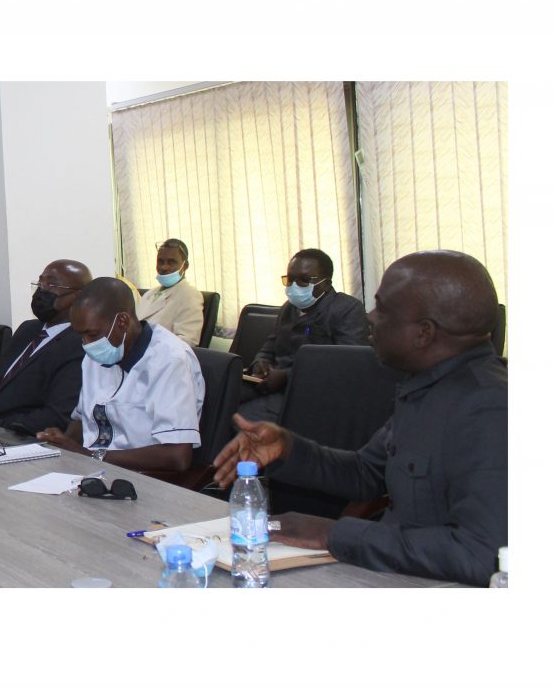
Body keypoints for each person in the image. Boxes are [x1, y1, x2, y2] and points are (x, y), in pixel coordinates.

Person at [213, 250, 506, 586]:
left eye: (383, 309)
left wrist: (335, 534)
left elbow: (483, 555)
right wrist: (288, 447)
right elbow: (366, 472)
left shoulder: (490, 409)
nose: (370, 317)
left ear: (423, 333)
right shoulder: (426, 385)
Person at [36, 277, 204, 472]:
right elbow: (82, 420)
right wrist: (63, 443)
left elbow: (177, 456)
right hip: (90, 469)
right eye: (81, 335)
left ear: (122, 321)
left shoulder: (169, 360)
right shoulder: (96, 354)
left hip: (142, 478)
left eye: (92, 334)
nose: (87, 344)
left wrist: (90, 456)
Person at [238, 248, 369, 421]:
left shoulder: (347, 309)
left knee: (241, 417)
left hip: (311, 392)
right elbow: (269, 346)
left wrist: (287, 376)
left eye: (304, 280)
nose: (294, 286)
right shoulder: (288, 308)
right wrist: (261, 363)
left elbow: (347, 365)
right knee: (219, 397)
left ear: (326, 284)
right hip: (270, 384)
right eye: (290, 279)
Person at [0, 260, 91, 435]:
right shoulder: (27, 329)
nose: (42, 290)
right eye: (40, 282)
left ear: (79, 296)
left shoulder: (79, 344)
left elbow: (57, 415)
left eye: (52, 284)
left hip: (13, 436)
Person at [136, 239, 204, 347]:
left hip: (159, 355)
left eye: (171, 262)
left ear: (185, 266)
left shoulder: (190, 295)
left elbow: (186, 341)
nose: (164, 267)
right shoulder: (150, 294)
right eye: (160, 261)